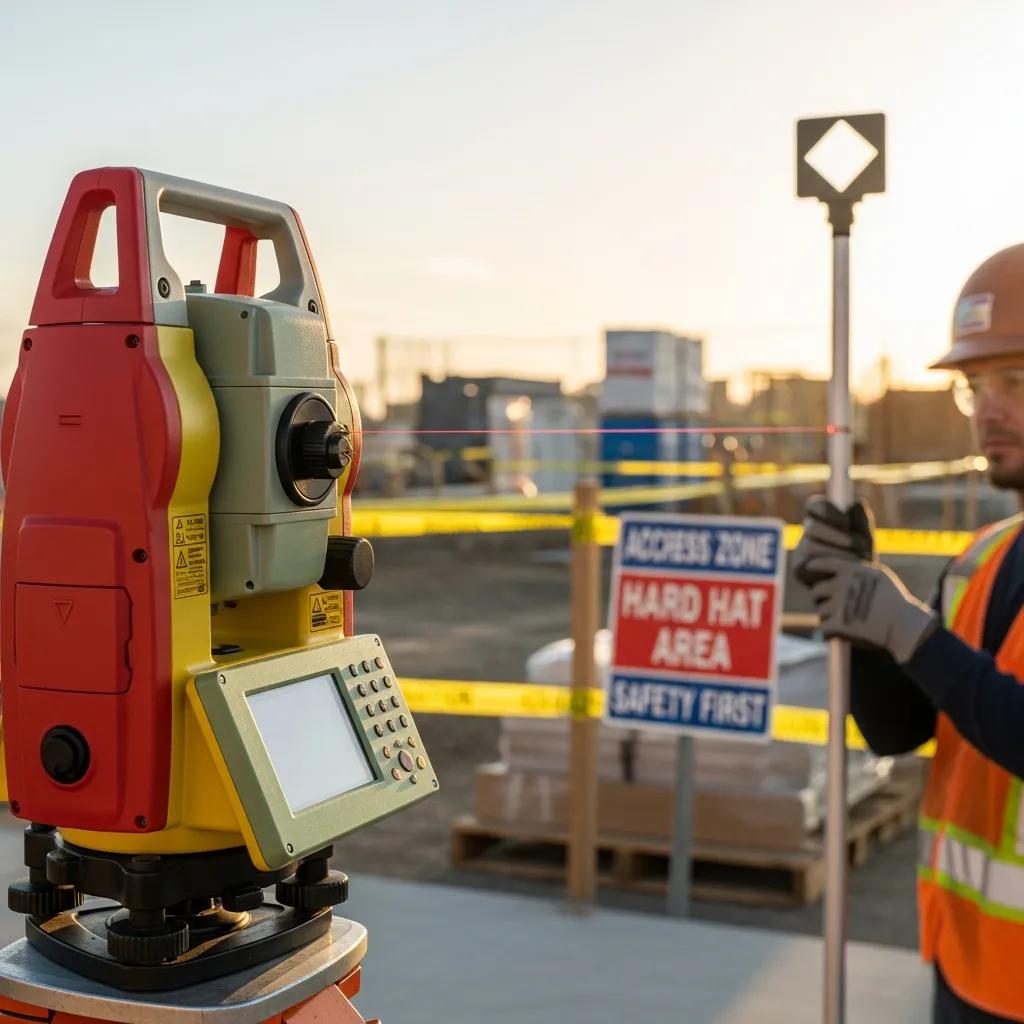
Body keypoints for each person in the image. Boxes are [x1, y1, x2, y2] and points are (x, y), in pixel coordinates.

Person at [793, 244, 1024, 1023]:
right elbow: (901, 730)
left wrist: (910, 631)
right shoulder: (983, 560)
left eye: (1015, 382)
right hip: (966, 966)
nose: (988, 407)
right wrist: (859, 622)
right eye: (974, 386)